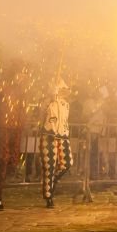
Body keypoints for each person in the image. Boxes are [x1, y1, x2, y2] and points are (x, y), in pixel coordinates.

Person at [0, 61, 29, 210]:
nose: (22, 76)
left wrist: (23, 124)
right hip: (1, 127)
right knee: (1, 159)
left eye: (24, 73)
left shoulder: (23, 90)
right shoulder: (2, 85)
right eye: (20, 72)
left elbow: (23, 109)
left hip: (15, 129)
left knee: (12, 162)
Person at [40, 78, 73, 208]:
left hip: (63, 136)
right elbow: (42, 112)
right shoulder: (47, 102)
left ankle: (52, 181)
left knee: (67, 163)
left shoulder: (66, 104)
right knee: (50, 167)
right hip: (49, 135)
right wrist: (50, 97)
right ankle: (48, 197)